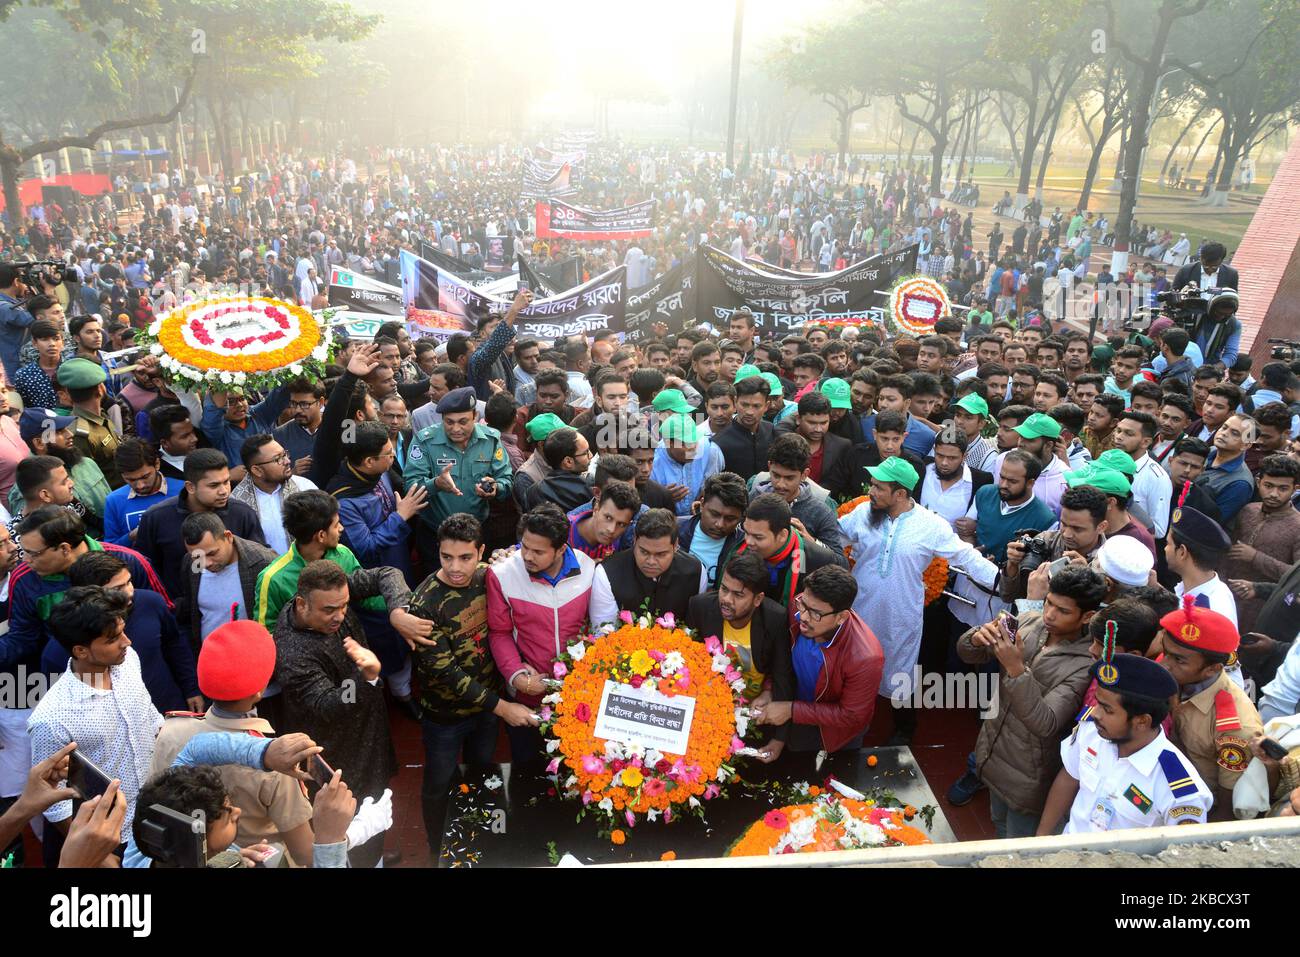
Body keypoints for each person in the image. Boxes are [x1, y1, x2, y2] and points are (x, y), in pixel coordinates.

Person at [839, 456, 1000, 744]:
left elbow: (964, 555)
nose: (871, 491)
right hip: (861, 609)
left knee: (901, 671)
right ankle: (853, 723)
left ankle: (904, 728)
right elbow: (835, 537)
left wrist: (1002, 582)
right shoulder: (863, 512)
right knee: (856, 665)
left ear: (900, 494)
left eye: (878, 487)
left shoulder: (931, 525)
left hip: (902, 613)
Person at [406, 514, 538, 852]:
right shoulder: (424, 603)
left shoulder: (488, 578)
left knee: (480, 774)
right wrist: (503, 707)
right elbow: (445, 672)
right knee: (438, 784)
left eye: (465, 557)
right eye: (446, 557)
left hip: (487, 713)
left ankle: (476, 842)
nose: (455, 567)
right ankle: (438, 849)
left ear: (481, 551)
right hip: (446, 717)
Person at [272, 559, 409, 867]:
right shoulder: (292, 652)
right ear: (301, 604)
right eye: (329, 611)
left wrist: (399, 612)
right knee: (349, 825)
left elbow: (388, 572)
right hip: (342, 757)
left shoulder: (330, 590)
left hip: (370, 737)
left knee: (376, 814)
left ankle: (375, 853)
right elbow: (327, 705)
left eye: (344, 606)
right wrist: (368, 676)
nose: (339, 616)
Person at [147, 620, 317, 864]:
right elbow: (305, 853)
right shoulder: (279, 766)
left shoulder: (171, 730)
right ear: (259, 692)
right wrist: (350, 832)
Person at [957, 565, 1108, 838]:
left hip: (1030, 775)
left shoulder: (1086, 662)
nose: (1049, 615)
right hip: (993, 752)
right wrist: (976, 639)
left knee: (1018, 843)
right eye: (1049, 603)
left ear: (1087, 616)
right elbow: (968, 654)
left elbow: (1046, 723)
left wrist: (1015, 669)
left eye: (1063, 611)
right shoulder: (1027, 620)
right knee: (997, 822)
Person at [27, 586, 163, 863]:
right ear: (81, 650)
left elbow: (149, 716)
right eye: (113, 638)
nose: (127, 642)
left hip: (157, 818)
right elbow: (54, 802)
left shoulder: (129, 662)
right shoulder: (51, 718)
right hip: (112, 841)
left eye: (123, 631)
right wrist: (101, 857)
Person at [1037, 653, 1211, 834]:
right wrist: (1040, 840)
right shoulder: (1092, 731)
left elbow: (1179, 853)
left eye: (1107, 709)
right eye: (1098, 703)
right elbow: (1069, 777)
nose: (1096, 713)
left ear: (1142, 721)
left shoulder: (1179, 789)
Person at [487, 504, 595, 771]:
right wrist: (517, 677)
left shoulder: (588, 568)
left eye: (538, 551)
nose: (527, 556)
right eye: (524, 546)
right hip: (526, 697)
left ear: (561, 549)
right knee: (527, 768)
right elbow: (499, 632)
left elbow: (594, 626)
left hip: (576, 696)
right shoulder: (501, 573)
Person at [751, 565, 884, 775]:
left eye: (815, 614)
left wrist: (791, 710)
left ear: (842, 617)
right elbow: (780, 657)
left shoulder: (866, 658)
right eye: (803, 604)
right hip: (794, 711)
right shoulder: (799, 608)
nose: (802, 617)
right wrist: (769, 689)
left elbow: (851, 716)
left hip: (832, 732)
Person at [39, 551, 199, 715]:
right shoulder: (60, 650)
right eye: (117, 589)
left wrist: (192, 689)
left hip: (171, 710)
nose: (129, 591)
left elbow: (175, 644)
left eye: (129, 582)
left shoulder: (152, 603)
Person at [1157, 599, 1263, 818]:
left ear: (1212, 669)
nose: (1165, 663)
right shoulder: (1176, 672)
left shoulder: (1235, 726)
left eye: (1178, 659)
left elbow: (1226, 807)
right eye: (1165, 652)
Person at [686, 551, 794, 759]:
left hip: (756, 715)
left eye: (738, 595)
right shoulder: (699, 606)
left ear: (757, 599)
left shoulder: (775, 618)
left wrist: (779, 739)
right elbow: (689, 665)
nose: (726, 599)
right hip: (708, 714)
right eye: (724, 589)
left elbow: (783, 677)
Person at [134, 448, 267, 600]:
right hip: (183, 617)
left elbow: (259, 562)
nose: (224, 491)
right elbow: (145, 571)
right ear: (190, 487)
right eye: (214, 485)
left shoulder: (242, 514)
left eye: (226, 482)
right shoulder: (156, 518)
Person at [404, 386, 512, 554]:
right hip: (436, 534)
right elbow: (411, 485)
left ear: (475, 416)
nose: (455, 429)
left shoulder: (491, 439)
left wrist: (496, 488)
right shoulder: (424, 441)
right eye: (449, 422)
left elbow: (506, 479)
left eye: (463, 422)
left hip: (476, 533)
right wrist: (436, 484)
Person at [327, 420, 426, 581]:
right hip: (378, 580)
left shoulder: (378, 472)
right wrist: (400, 517)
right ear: (369, 462)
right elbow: (365, 548)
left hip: (400, 562)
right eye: (388, 453)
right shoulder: (343, 503)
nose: (393, 455)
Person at [1222, 454, 1300, 634]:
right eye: (1268, 486)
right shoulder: (1248, 510)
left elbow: (1296, 580)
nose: (1274, 494)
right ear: (1258, 482)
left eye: (1282, 488)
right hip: (1227, 598)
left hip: (1262, 609)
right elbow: (1227, 554)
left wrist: (1255, 557)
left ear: (1294, 489)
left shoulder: (1297, 526)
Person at [589, 508, 706, 626]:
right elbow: (603, 633)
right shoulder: (607, 573)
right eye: (644, 552)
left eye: (661, 554)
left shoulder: (696, 572)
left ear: (675, 545)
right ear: (634, 540)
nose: (651, 562)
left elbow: (696, 626)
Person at [177, 512, 277, 649]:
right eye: (197, 556)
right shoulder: (191, 564)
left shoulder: (263, 563)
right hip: (209, 658)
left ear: (228, 537)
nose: (206, 563)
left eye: (212, 553)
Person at [1001, 485, 1110, 602]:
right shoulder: (1045, 541)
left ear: (1101, 527)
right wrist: (1012, 565)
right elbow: (1008, 597)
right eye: (1064, 524)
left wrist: (1088, 580)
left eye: (1077, 529)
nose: (1067, 534)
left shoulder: (1110, 563)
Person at [749, 433, 846, 552]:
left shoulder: (821, 512)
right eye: (776, 475)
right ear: (769, 466)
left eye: (789, 478)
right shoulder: (754, 497)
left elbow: (839, 561)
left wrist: (810, 541)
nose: (780, 484)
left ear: (805, 474)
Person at [231, 434, 318, 555]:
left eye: (285, 454)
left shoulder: (305, 487)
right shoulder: (237, 504)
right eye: (278, 459)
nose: (287, 461)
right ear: (257, 470)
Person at [1166, 505, 1238, 628]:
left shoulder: (1210, 612)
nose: (1165, 548)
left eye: (1168, 543)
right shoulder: (1197, 587)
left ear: (1182, 552)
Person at [58, 358, 121, 489]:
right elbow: (87, 480)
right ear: (100, 390)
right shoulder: (79, 433)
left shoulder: (100, 415)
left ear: (68, 394)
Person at [102, 439, 179, 546]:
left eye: (145, 477)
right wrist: (131, 537)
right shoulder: (114, 501)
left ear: (157, 464)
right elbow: (111, 548)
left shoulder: (182, 490)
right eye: (131, 480)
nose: (140, 485)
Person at [1111, 410, 1173, 540]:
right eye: (1118, 430)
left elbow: (1158, 530)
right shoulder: (1107, 461)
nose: (1119, 437)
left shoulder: (1157, 478)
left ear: (1145, 442)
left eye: (1128, 433)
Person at [650, 413, 723, 517]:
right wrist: (662, 498)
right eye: (685, 443)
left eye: (694, 440)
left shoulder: (710, 450)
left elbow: (718, 484)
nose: (693, 447)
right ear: (669, 442)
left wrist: (707, 497)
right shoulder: (652, 462)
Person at [1198, 413, 1257, 526]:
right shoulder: (1208, 451)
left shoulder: (1240, 483)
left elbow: (1212, 523)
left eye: (1234, 433)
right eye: (1224, 427)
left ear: (1246, 445)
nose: (1224, 433)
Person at [711, 375, 774, 477]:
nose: (749, 412)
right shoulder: (718, 444)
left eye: (756, 406)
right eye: (744, 405)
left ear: (766, 406)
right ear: (735, 402)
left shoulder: (771, 430)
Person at [567, 476, 640, 562]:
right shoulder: (563, 531)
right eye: (608, 518)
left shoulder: (621, 540)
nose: (611, 529)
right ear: (596, 509)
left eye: (621, 524)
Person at [524, 427, 593, 513]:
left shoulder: (532, 492)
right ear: (568, 461)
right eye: (585, 453)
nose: (591, 455)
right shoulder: (589, 487)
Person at [273, 378, 326, 474]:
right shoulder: (280, 435)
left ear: (321, 402)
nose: (297, 410)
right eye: (293, 403)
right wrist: (292, 473)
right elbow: (274, 477)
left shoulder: (337, 428)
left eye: (304, 404)